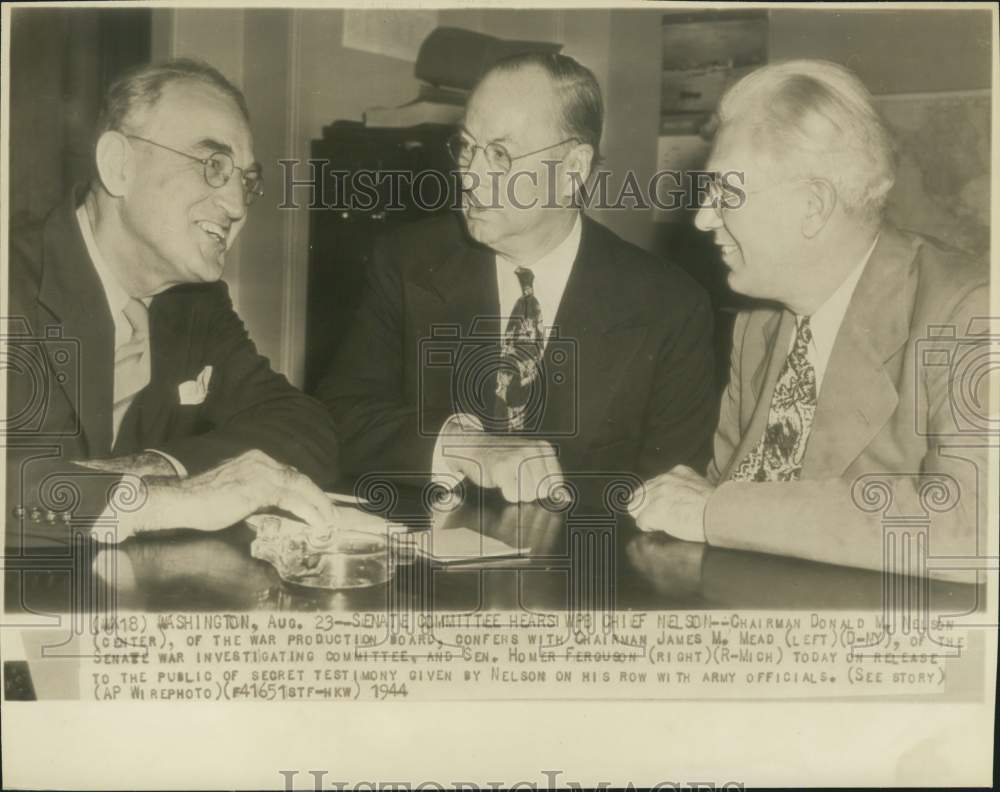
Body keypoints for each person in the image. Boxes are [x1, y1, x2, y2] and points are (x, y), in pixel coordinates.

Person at [629, 60, 990, 578]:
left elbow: (974, 527)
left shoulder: (968, 311)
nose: (703, 217)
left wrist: (715, 511)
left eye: (724, 193)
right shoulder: (759, 325)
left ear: (813, 205)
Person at [319, 52, 716, 503]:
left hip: (584, 567)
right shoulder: (408, 262)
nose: (469, 175)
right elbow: (336, 416)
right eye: (467, 147)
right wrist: (464, 447)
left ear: (572, 170)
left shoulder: (669, 306)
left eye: (500, 154)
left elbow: (669, 501)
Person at [6, 58, 338, 548]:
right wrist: (168, 500)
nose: (238, 206)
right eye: (212, 166)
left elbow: (306, 425)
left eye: (246, 180)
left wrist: (164, 468)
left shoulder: (195, 305)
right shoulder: (10, 278)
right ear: (120, 165)